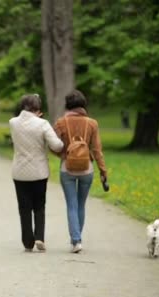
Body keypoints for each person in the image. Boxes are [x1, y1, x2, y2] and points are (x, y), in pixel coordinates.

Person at [53, 90, 107, 253]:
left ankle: (76, 241)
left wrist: (63, 155)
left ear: (67, 105)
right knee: (81, 204)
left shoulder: (60, 123)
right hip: (87, 169)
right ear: (83, 105)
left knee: (71, 205)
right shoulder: (92, 123)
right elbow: (97, 150)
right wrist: (103, 170)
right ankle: (77, 239)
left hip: (66, 168)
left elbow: (53, 145)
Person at [9, 94, 63, 252]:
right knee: (39, 205)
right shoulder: (43, 124)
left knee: (24, 207)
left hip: (19, 172)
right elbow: (57, 145)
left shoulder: (13, 122)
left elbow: (23, 123)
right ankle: (39, 236)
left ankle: (27, 241)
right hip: (39, 171)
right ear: (38, 109)